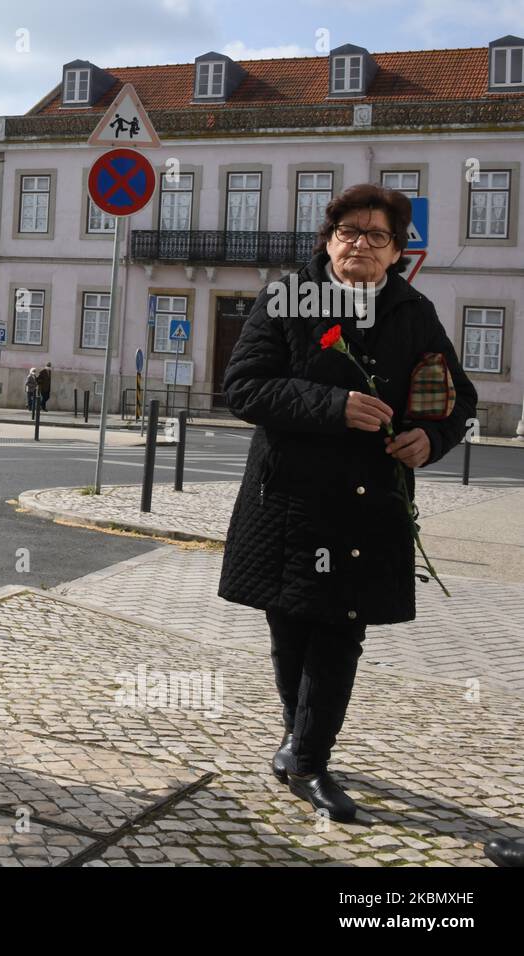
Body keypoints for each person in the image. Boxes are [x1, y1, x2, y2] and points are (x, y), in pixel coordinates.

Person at [219, 184, 476, 822]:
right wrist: (333, 406)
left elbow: (458, 398)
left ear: (397, 252)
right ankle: (298, 741)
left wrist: (433, 436)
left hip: (369, 503)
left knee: (340, 627)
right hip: (288, 498)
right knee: (290, 622)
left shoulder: (412, 311)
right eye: (347, 232)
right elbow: (243, 389)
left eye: (376, 235)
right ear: (328, 240)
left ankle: (307, 760)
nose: (360, 243)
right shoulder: (286, 299)